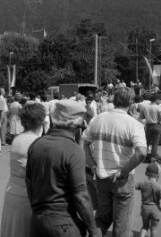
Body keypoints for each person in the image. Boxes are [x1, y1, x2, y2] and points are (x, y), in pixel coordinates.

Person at [26, 100, 98, 237]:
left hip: (37, 219)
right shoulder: (73, 150)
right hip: (63, 222)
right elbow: (81, 195)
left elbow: (29, 183)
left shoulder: (36, 144)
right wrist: (94, 231)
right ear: (76, 125)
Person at [82, 87, 147, 237]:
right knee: (121, 226)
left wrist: (92, 165)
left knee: (101, 220)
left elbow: (83, 143)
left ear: (114, 99)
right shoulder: (133, 124)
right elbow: (142, 152)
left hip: (101, 177)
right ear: (131, 102)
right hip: (122, 180)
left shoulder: (98, 119)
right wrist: (124, 171)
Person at [0, 102, 45, 237]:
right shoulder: (38, 142)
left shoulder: (18, 139)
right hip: (28, 195)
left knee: (12, 230)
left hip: (12, 191)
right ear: (40, 122)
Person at [136, 163, 161, 237]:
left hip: (145, 208)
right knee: (153, 229)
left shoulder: (142, 184)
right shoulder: (159, 187)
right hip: (155, 209)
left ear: (146, 173)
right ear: (158, 175)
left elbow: (136, 186)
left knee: (145, 227)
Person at [139, 93, 161, 163]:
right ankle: (153, 157)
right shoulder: (158, 107)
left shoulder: (145, 107)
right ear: (156, 100)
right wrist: (160, 121)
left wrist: (148, 118)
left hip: (148, 126)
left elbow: (141, 117)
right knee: (155, 142)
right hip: (156, 125)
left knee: (146, 142)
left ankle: (144, 156)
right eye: (160, 99)